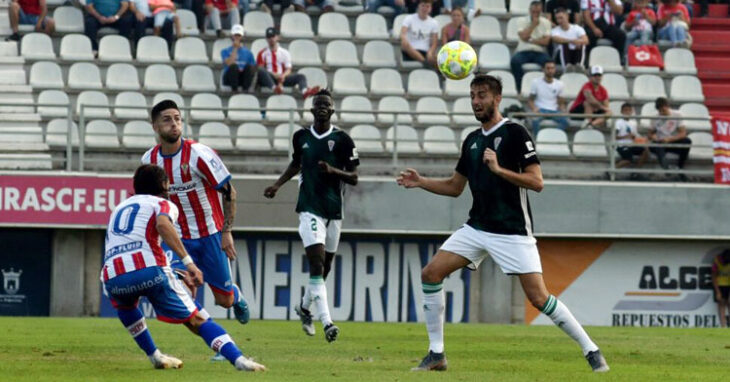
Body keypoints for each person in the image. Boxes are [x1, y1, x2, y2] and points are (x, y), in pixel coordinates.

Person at [397, 73, 609, 373]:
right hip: (477, 228)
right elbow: (456, 187)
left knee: (538, 297)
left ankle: (591, 349)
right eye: (472, 95)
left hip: (512, 231)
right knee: (431, 273)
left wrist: (498, 169)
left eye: (482, 95)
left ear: (497, 98)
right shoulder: (472, 140)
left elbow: (537, 182)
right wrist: (421, 182)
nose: (475, 101)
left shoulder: (515, 134)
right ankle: (437, 354)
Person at [102, 164, 265, 372]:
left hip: (112, 277)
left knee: (125, 307)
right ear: (163, 184)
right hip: (150, 271)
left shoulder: (119, 207)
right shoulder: (163, 203)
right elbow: (162, 225)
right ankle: (239, 360)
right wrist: (188, 263)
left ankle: (155, 356)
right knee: (195, 319)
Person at [141, 100, 251, 359]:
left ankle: (235, 294)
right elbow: (149, 202)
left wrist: (227, 231)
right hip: (178, 239)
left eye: (178, 118)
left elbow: (230, 192)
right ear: (155, 126)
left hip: (211, 234)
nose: (174, 124)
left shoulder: (199, 154)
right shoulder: (150, 160)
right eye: (167, 119)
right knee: (183, 295)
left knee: (223, 300)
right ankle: (221, 344)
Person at [264, 89, 360, 343]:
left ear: (332, 110)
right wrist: (277, 184)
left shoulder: (343, 140)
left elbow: (354, 177)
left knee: (325, 268)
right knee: (316, 264)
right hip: (308, 207)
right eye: (318, 104)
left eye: (326, 104)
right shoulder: (301, 137)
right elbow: (296, 164)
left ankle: (305, 308)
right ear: (311, 109)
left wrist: (332, 170)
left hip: (333, 211)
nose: (322, 107)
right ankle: (327, 322)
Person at [256, 27, 321, 98]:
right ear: (266, 39)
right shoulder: (262, 53)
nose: (271, 39)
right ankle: (275, 88)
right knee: (261, 71)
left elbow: (288, 69)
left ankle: (305, 91)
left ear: (277, 37)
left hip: (282, 77)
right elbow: (261, 69)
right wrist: (274, 74)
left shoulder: (284, 53)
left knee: (301, 76)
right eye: (269, 37)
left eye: (273, 36)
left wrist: (282, 76)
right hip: (269, 78)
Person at [510, 1, 552, 90]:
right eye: (534, 12)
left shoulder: (546, 22)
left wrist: (531, 40)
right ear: (529, 11)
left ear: (541, 11)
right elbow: (523, 37)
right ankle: (520, 86)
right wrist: (533, 25)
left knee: (549, 63)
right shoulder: (521, 20)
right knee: (515, 61)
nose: (536, 14)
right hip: (523, 51)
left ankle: (545, 87)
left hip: (539, 52)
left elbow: (546, 42)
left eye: (538, 12)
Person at [648, 97, 692, 173]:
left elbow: (683, 133)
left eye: (663, 110)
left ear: (668, 106)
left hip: (672, 141)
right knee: (654, 146)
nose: (661, 113)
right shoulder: (654, 117)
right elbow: (650, 133)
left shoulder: (677, 115)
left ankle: (680, 167)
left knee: (687, 141)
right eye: (660, 111)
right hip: (660, 142)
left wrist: (670, 139)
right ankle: (666, 168)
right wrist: (653, 137)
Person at [528, 60, 569, 134]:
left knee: (566, 122)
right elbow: (530, 100)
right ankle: (537, 140)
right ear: (543, 69)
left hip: (554, 111)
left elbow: (561, 102)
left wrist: (563, 109)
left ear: (555, 69)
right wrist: (534, 108)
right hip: (540, 110)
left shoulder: (560, 84)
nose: (550, 70)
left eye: (552, 68)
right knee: (535, 120)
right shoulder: (536, 82)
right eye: (548, 68)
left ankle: (553, 136)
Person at [221, 24, 263, 93]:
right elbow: (229, 63)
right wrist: (235, 48)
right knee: (233, 67)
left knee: (248, 67)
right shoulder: (225, 51)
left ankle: (245, 90)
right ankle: (234, 90)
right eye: (235, 35)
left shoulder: (248, 52)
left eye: (239, 35)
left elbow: (252, 68)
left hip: (242, 77)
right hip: (230, 78)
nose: (237, 37)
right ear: (232, 36)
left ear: (242, 36)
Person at [400, 0, 439, 67]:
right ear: (419, 6)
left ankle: (427, 62)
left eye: (427, 6)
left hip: (425, 51)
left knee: (437, 57)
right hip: (410, 50)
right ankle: (424, 62)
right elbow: (402, 33)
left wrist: (430, 52)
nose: (425, 8)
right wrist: (404, 40)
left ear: (430, 8)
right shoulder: (409, 18)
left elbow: (434, 42)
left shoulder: (434, 22)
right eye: (423, 6)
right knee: (404, 44)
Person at [551, 7, 588, 72]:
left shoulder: (577, 28)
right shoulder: (555, 30)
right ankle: (566, 67)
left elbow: (586, 40)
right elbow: (555, 39)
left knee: (582, 45)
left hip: (574, 54)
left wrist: (579, 42)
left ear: (567, 16)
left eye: (561, 18)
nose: (559, 21)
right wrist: (572, 41)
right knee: (563, 45)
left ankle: (579, 65)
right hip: (559, 57)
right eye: (557, 19)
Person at [614, 103, 649, 172]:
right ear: (622, 112)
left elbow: (635, 136)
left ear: (631, 112)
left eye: (629, 110)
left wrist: (642, 139)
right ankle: (612, 170)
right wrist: (626, 136)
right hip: (622, 145)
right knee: (628, 160)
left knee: (646, 151)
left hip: (632, 145)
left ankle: (636, 171)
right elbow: (615, 137)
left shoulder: (633, 123)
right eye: (625, 110)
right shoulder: (618, 122)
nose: (627, 112)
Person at [712, 249, 730, 328]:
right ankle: (723, 326)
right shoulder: (717, 261)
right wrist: (718, 292)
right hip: (720, 285)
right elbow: (713, 276)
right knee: (721, 304)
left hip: (728, 284)